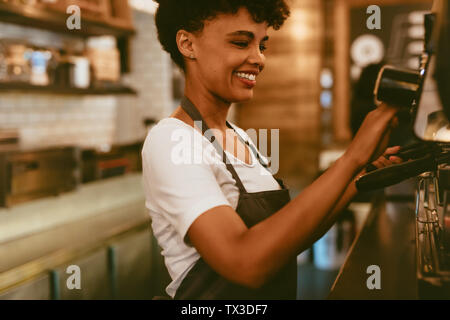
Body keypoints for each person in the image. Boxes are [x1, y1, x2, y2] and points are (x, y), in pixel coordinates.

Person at [141, 0, 402, 300]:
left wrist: (362, 174)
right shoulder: (172, 140)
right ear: (188, 44)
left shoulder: (240, 136)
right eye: (241, 42)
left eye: (261, 45)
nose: (259, 59)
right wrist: (351, 156)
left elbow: (287, 238)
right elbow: (245, 262)